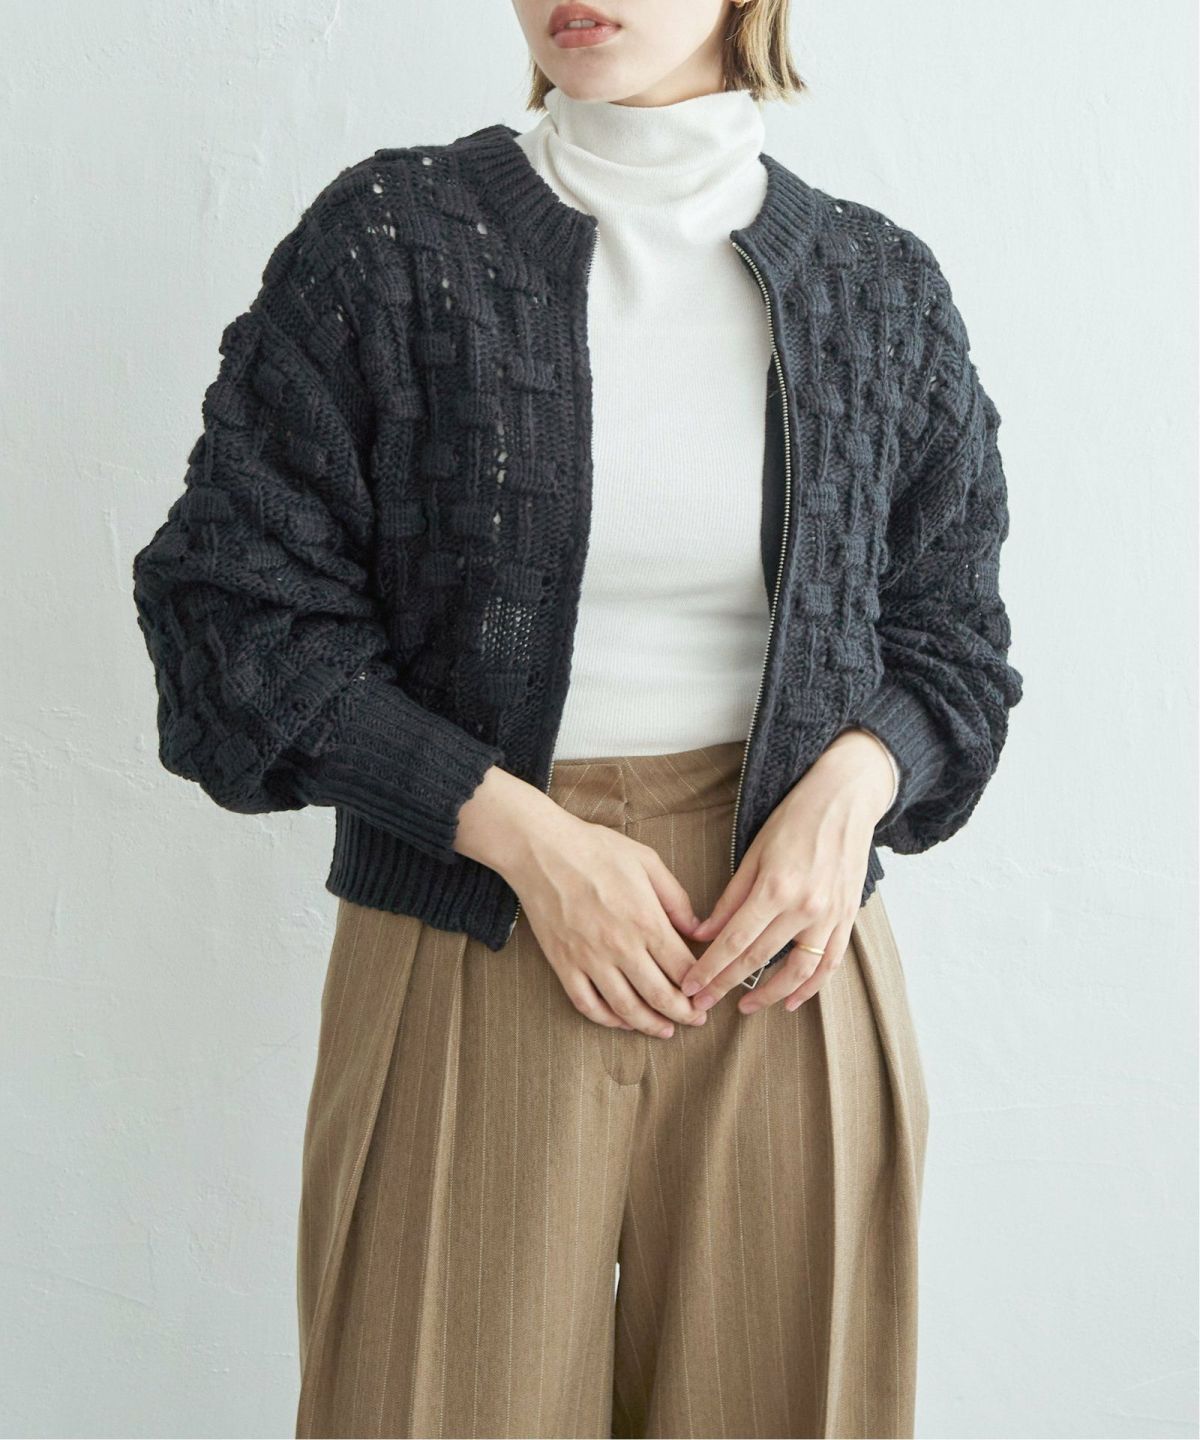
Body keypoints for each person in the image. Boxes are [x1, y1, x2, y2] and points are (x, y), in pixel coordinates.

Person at [131, 1, 1024, 1435]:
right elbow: (230, 618)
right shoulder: (391, 247)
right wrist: (521, 836)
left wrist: (854, 787)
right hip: (468, 926)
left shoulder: (878, 287)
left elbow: (954, 642)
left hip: (788, 956)